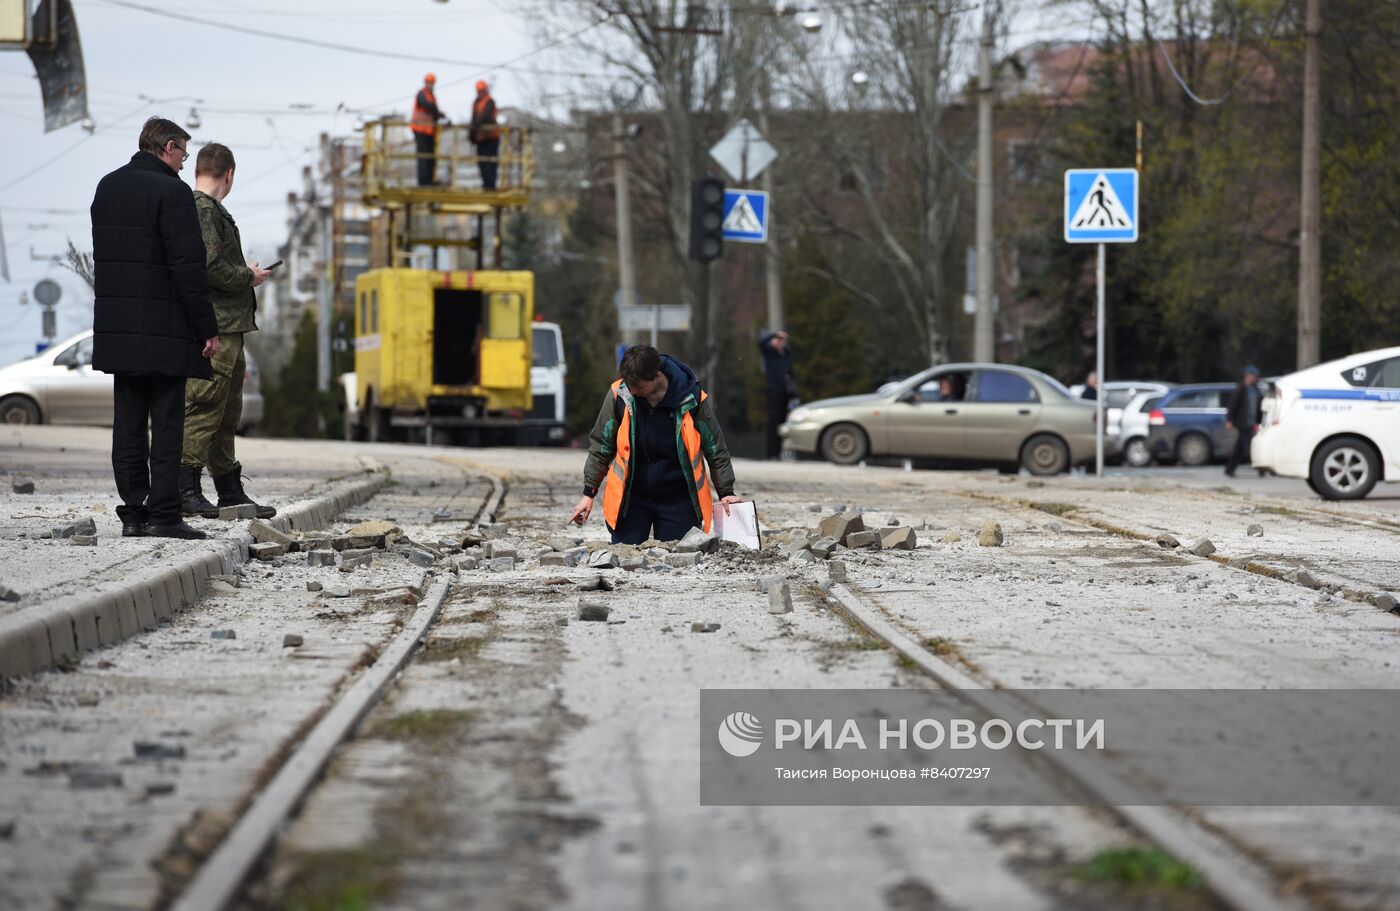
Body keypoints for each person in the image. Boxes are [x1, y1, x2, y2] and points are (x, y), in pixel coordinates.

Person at [91, 117, 220, 540]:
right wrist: (207, 328)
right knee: (166, 424)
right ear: (167, 147)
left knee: (127, 422)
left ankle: (133, 514)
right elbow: (188, 267)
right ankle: (164, 515)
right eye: (183, 152)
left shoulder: (107, 188)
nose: (184, 162)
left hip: (120, 328)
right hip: (165, 328)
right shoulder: (173, 192)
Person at [179, 143, 276, 521]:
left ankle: (229, 491)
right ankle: (186, 488)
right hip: (215, 326)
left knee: (225, 412)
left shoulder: (210, 210)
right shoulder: (204, 210)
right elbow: (209, 267)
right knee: (205, 407)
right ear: (230, 174)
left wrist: (242, 274)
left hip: (229, 326)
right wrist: (247, 277)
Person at [569, 345, 742, 545]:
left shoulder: (693, 399)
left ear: (657, 375)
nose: (632, 391)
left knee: (679, 559)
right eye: (629, 385)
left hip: (678, 498)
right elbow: (601, 445)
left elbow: (716, 450)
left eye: (639, 386)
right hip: (631, 499)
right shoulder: (620, 394)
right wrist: (588, 493)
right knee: (624, 559)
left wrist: (726, 492)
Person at [758, 330, 794, 460]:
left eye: (782, 340)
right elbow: (761, 343)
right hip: (773, 390)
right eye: (778, 340)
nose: (780, 342)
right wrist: (775, 334)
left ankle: (778, 452)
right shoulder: (770, 353)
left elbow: (791, 373)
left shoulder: (786, 354)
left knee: (781, 422)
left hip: (785, 391)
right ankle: (771, 453)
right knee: (773, 421)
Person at [1224, 364, 1263, 477]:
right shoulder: (1240, 389)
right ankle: (1260, 468)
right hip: (1242, 422)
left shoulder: (1256, 389)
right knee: (1249, 446)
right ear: (1247, 376)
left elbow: (1258, 407)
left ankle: (1229, 469)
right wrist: (1229, 420)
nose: (1255, 378)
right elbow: (1232, 405)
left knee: (1240, 448)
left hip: (1252, 422)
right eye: (1253, 376)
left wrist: (1258, 421)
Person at [410, 73, 444, 186]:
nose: (431, 84)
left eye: (432, 82)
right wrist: (438, 113)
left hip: (429, 131)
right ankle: (423, 181)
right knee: (423, 157)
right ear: (426, 82)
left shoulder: (431, 95)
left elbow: (433, 110)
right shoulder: (422, 94)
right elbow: (427, 106)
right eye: (430, 82)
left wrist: (439, 115)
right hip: (420, 130)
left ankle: (429, 179)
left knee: (430, 157)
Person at [470, 79, 501, 190]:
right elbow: (473, 119)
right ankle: (486, 184)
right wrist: (472, 134)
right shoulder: (476, 103)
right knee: (482, 162)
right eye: (479, 91)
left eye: (482, 90)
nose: (480, 93)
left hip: (491, 137)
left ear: (485, 90)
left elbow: (487, 117)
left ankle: (490, 185)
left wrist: (476, 125)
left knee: (490, 162)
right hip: (481, 138)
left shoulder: (490, 101)